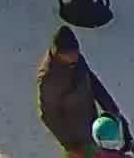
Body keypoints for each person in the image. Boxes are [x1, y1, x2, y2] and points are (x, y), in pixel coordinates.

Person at [37, 25, 122, 158]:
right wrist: (70, 146)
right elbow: (49, 115)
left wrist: (111, 108)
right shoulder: (49, 79)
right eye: (70, 54)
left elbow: (90, 79)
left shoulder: (75, 60)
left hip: (91, 127)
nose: (75, 57)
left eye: (76, 52)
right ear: (57, 53)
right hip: (76, 140)